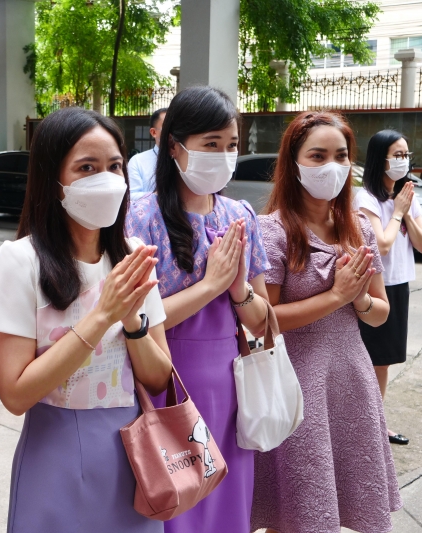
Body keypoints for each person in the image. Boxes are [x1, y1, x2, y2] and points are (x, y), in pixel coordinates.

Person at [0, 106, 172, 533]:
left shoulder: (133, 253)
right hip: (55, 454)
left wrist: (132, 323)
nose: (105, 179)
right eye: (86, 168)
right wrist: (101, 315)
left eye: (114, 166)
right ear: (55, 181)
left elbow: (159, 378)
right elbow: (14, 394)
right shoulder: (22, 260)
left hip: (134, 453)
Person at [126, 86, 270, 532]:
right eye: (211, 145)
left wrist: (240, 288)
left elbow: (263, 319)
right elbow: (137, 319)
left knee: (229, 503)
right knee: (179, 500)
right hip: (166, 379)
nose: (224, 156)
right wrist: (211, 286)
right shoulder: (140, 217)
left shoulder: (240, 215)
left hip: (231, 385)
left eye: (231, 146)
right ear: (174, 145)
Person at [252, 111, 402, 533]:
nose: (331, 166)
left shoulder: (358, 229)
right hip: (296, 386)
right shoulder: (273, 231)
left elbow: (380, 312)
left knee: (346, 505)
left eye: (340, 155)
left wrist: (356, 299)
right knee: (298, 509)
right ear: (293, 162)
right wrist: (334, 295)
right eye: (317, 156)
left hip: (351, 379)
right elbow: (266, 320)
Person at [355, 130, 422, 446]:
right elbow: (381, 245)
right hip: (374, 288)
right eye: (397, 155)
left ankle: (375, 421)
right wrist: (399, 210)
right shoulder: (366, 198)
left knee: (384, 359)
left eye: (406, 155)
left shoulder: (405, 196)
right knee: (369, 358)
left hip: (399, 284)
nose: (403, 161)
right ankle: (367, 423)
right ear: (379, 158)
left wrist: (406, 212)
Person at [127, 108, 166, 199]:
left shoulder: (186, 158)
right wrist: (159, 196)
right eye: (167, 127)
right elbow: (131, 196)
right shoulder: (138, 161)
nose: (173, 132)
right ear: (153, 132)